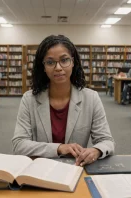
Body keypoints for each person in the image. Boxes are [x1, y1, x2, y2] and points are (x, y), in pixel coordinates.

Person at [12, 35, 115, 166]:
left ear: (73, 62)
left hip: (75, 167)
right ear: (43, 67)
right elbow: (19, 144)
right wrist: (59, 148)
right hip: (41, 169)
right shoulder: (29, 99)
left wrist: (96, 150)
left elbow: (107, 141)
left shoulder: (91, 98)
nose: (58, 67)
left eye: (64, 60)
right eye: (50, 62)